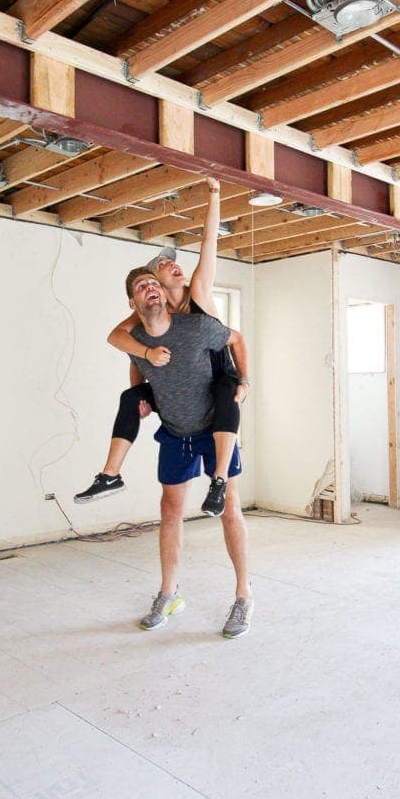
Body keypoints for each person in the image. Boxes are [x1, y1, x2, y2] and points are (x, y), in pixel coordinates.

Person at [74, 177, 250, 517]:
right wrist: (139, 393)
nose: (173, 265)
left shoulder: (196, 292)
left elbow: (209, 242)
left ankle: (219, 481)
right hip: (181, 396)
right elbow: (124, 341)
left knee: (226, 390)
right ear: (154, 282)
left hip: (218, 381)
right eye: (163, 265)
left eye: (172, 263)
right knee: (129, 398)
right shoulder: (154, 315)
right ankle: (110, 475)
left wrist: (214, 192)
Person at [123, 265, 253, 639]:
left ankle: (244, 595)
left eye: (154, 282)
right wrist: (142, 396)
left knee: (229, 506)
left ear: (164, 292)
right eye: (142, 285)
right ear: (134, 300)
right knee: (170, 510)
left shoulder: (196, 323)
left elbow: (236, 339)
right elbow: (135, 365)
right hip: (176, 431)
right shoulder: (136, 336)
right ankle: (168, 593)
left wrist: (244, 381)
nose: (151, 287)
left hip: (214, 428)